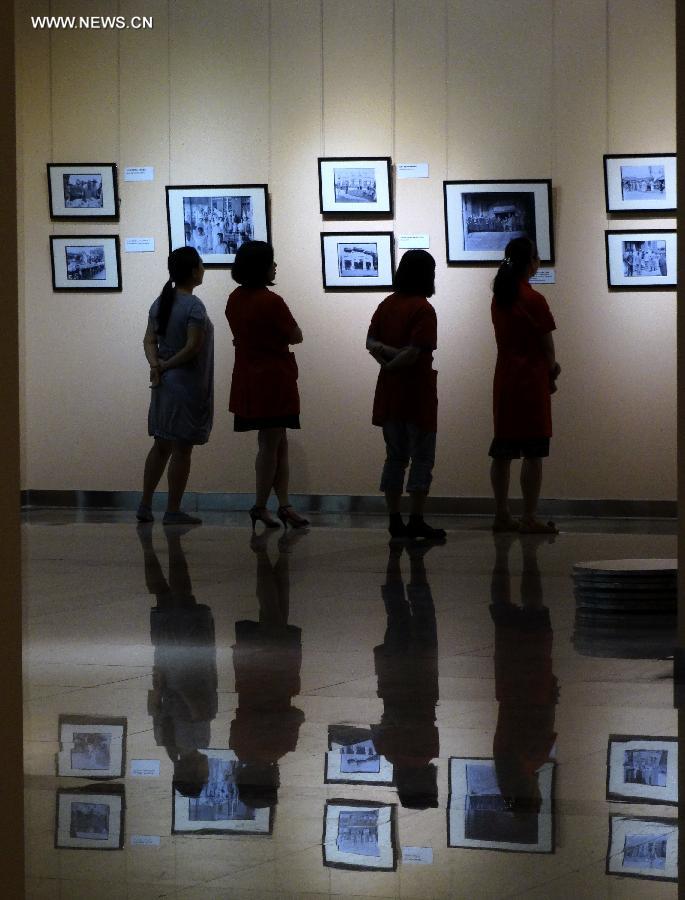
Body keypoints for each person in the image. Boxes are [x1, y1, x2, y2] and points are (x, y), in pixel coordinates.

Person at [225, 241, 309, 530]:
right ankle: (261, 505)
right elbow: (296, 335)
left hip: (249, 376)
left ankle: (283, 504)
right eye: (271, 261)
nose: (275, 266)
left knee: (277, 442)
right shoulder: (271, 301)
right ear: (260, 267)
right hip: (273, 380)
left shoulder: (234, 298)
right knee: (271, 444)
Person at [366, 249, 445, 540]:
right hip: (417, 392)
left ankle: (394, 519)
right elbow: (414, 354)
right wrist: (395, 360)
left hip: (390, 391)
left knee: (394, 457)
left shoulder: (386, 304)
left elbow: (371, 343)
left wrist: (386, 360)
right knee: (422, 458)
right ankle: (416, 518)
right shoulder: (423, 309)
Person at [138, 246, 213, 525]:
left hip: (163, 383)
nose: (203, 269)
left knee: (161, 445)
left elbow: (149, 340)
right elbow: (193, 347)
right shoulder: (194, 306)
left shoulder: (160, 302)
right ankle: (172, 509)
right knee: (182, 449)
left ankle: (145, 504)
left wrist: (156, 365)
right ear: (193, 271)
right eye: (201, 264)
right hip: (185, 385)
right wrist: (166, 365)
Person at [489, 237, 560, 534]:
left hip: (505, 379)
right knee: (533, 452)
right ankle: (529, 516)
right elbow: (547, 347)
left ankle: (501, 514)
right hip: (531, 381)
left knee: (503, 450)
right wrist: (552, 372)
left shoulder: (500, 297)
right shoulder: (534, 299)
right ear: (530, 262)